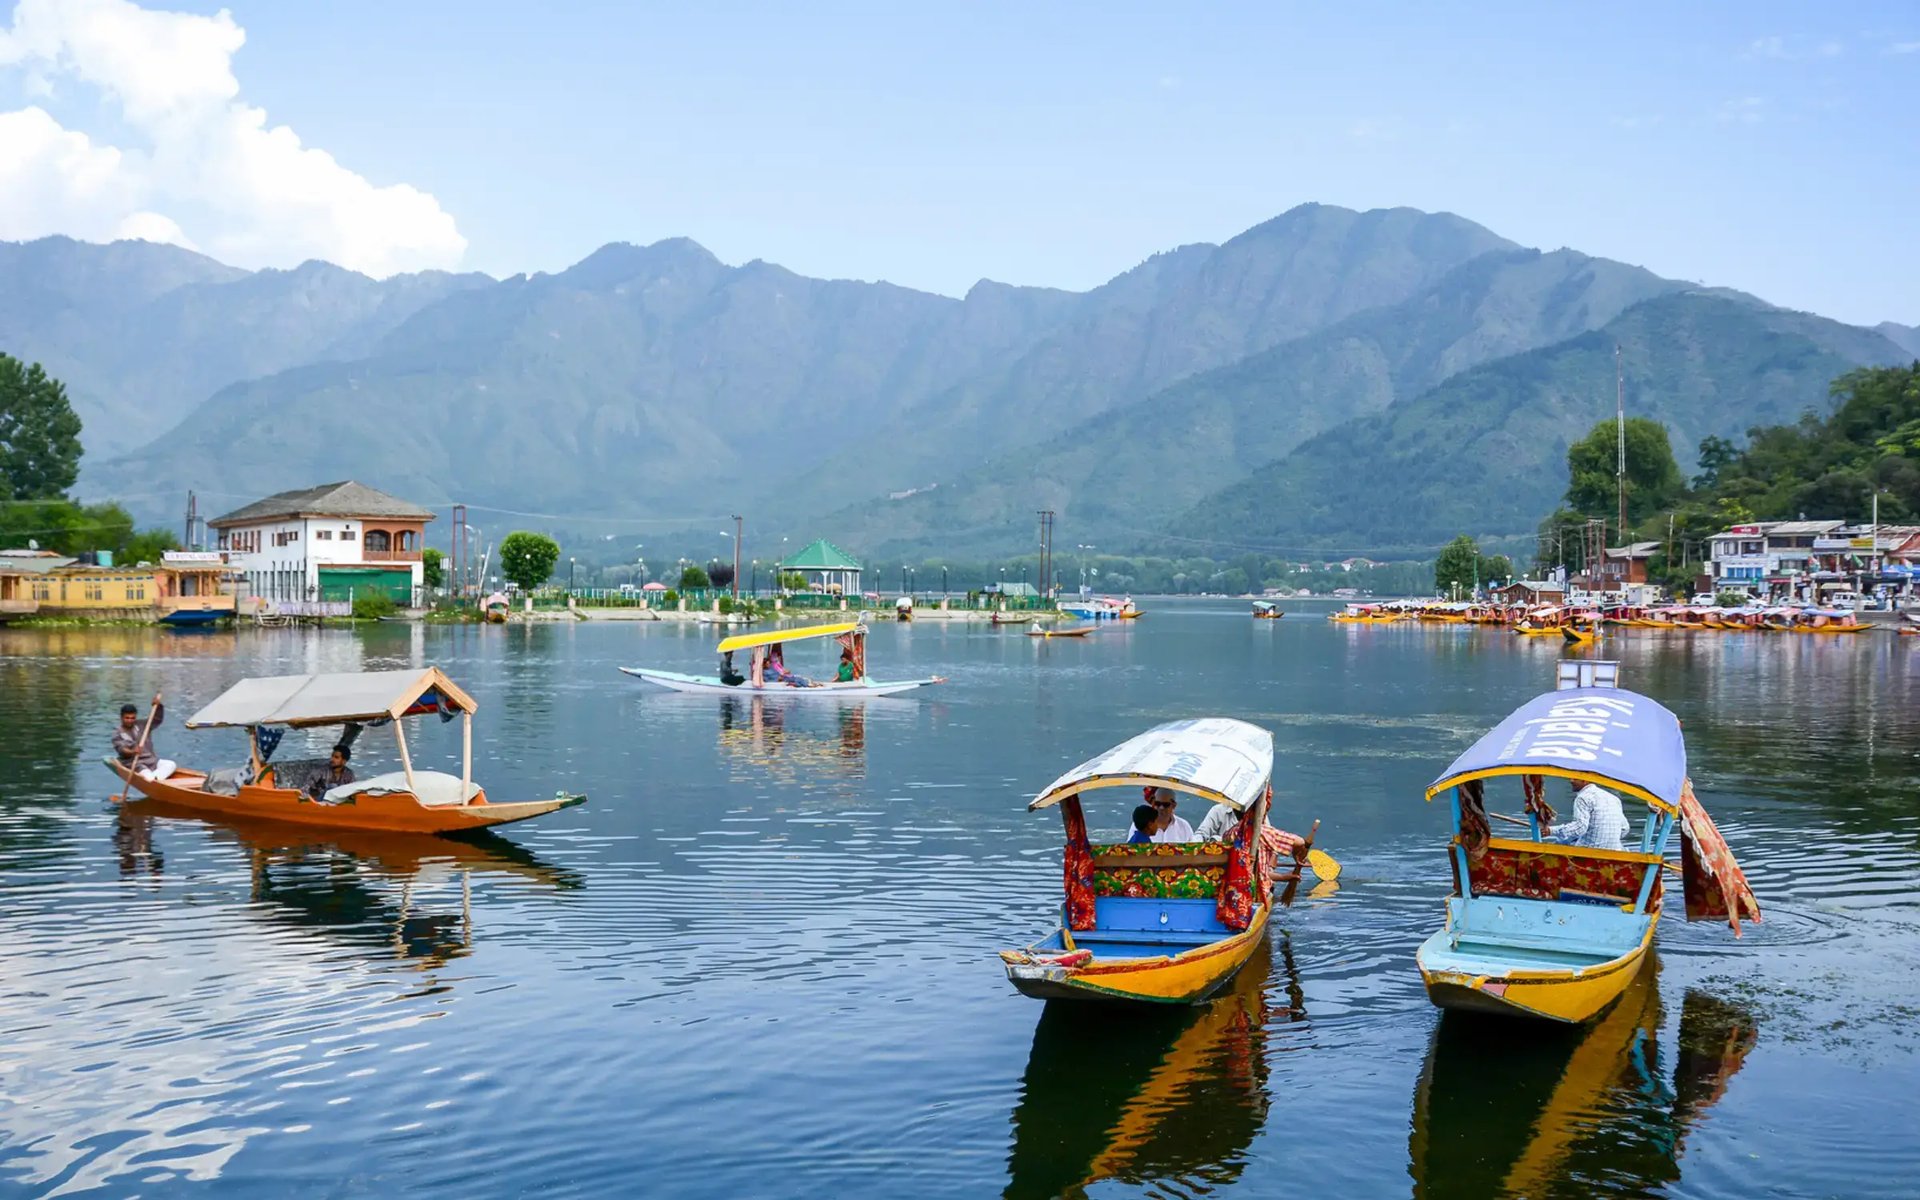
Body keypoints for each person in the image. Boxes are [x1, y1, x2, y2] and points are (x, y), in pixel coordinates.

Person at [1543, 778, 1631, 852]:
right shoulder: (1614, 798)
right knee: (1568, 839)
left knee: (1560, 842)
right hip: (1615, 850)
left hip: (1590, 851)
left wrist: (1551, 831)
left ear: (1585, 780)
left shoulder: (1583, 797)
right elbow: (1625, 828)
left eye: (1575, 778)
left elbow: (1580, 828)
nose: (1571, 780)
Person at [112, 694, 174, 781]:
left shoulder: (142, 725)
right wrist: (133, 752)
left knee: (171, 764)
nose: (130, 720)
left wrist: (158, 706)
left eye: (132, 718)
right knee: (148, 776)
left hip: (151, 760)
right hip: (135, 763)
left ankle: (155, 780)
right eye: (127, 718)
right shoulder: (117, 733)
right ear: (121, 717)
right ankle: (154, 780)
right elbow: (122, 749)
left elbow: (157, 720)